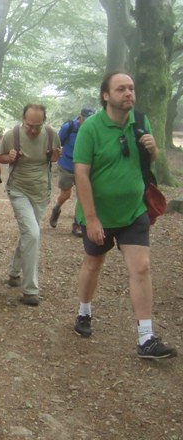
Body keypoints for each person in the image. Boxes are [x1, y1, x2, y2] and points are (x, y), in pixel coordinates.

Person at [72, 71, 177, 359]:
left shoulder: (140, 121)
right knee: (93, 264)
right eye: (121, 89)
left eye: (131, 88)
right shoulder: (91, 128)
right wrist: (91, 218)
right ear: (106, 95)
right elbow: (81, 173)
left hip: (134, 211)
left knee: (141, 267)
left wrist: (154, 151)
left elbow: (149, 162)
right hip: (100, 214)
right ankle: (84, 311)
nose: (128, 93)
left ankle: (146, 338)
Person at [0, 104, 60, 306]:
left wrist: (55, 155)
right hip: (18, 190)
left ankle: (14, 272)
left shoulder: (51, 134)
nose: (33, 130)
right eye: (29, 125)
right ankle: (31, 289)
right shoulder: (11, 135)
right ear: (22, 119)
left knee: (28, 233)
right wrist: (10, 157)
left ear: (44, 122)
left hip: (42, 191)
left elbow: (56, 157)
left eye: (37, 126)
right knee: (32, 233)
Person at [48, 107, 95, 237]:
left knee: (82, 196)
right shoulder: (68, 127)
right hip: (67, 165)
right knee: (66, 194)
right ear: (80, 118)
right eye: (86, 119)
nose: (89, 122)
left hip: (84, 167)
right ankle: (56, 209)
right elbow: (58, 143)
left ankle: (77, 224)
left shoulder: (93, 129)